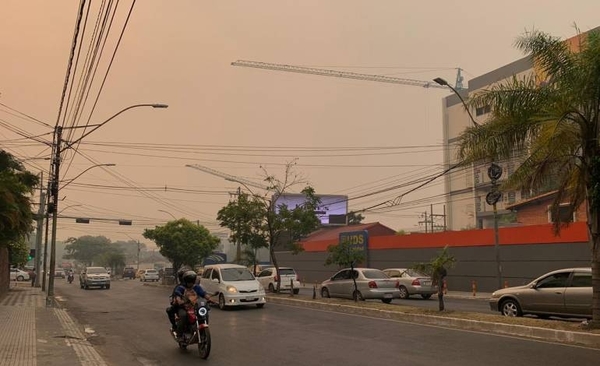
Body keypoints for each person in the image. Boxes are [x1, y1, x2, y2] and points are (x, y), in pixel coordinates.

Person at [173, 270, 212, 341]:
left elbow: (204, 294)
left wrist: (209, 298)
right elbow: (177, 295)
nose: (190, 283)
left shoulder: (197, 287)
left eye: (192, 281)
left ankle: (202, 331)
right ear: (185, 281)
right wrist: (179, 301)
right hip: (184, 307)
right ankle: (180, 334)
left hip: (195, 307)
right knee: (183, 315)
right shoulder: (181, 288)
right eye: (189, 281)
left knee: (204, 313)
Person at [166, 267, 190, 332]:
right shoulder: (179, 287)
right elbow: (175, 296)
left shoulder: (195, 286)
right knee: (181, 314)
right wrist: (177, 301)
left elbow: (202, 294)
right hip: (182, 306)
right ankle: (177, 328)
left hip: (193, 306)